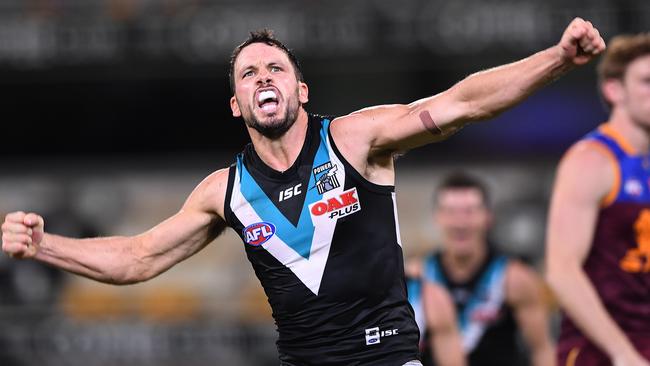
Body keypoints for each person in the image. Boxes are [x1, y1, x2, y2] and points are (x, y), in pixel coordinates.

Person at [1, 18, 604, 366]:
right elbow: (137, 259)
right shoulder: (225, 191)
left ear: (302, 90)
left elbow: (462, 104)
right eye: (249, 73)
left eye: (276, 69)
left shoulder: (356, 140)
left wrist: (556, 58)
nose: (264, 77)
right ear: (237, 105)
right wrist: (44, 246)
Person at [546, 33, 650, 366]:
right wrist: (622, 353)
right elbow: (562, 270)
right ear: (613, 90)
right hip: (600, 351)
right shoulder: (592, 161)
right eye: (647, 81)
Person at [406, 173, 555, 366]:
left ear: (487, 217)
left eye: (469, 211)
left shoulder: (514, 278)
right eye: (451, 212)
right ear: (438, 217)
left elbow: (542, 350)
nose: (460, 223)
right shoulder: (419, 275)